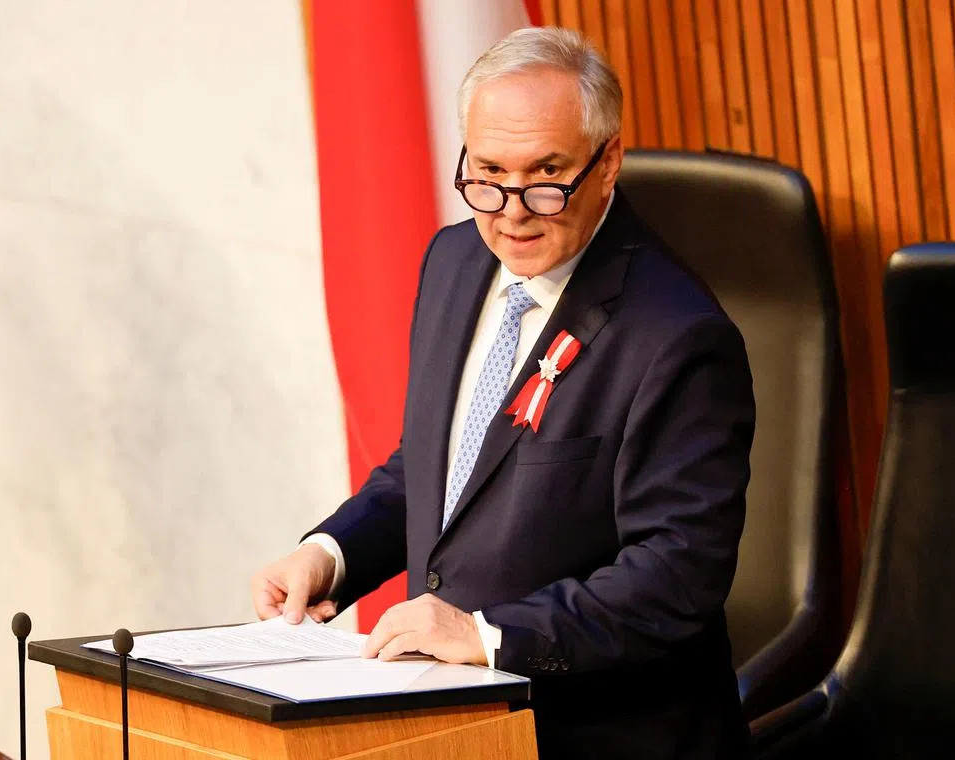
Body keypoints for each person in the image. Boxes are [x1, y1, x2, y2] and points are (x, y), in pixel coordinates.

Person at [251, 26, 756, 759]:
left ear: (608, 160)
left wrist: (485, 634)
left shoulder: (677, 336)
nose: (512, 210)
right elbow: (437, 469)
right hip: (460, 729)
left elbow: (676, 575)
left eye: (546, 175)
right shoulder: (454, 259)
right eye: (487, 173)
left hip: (600, 735)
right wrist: (332, 555)